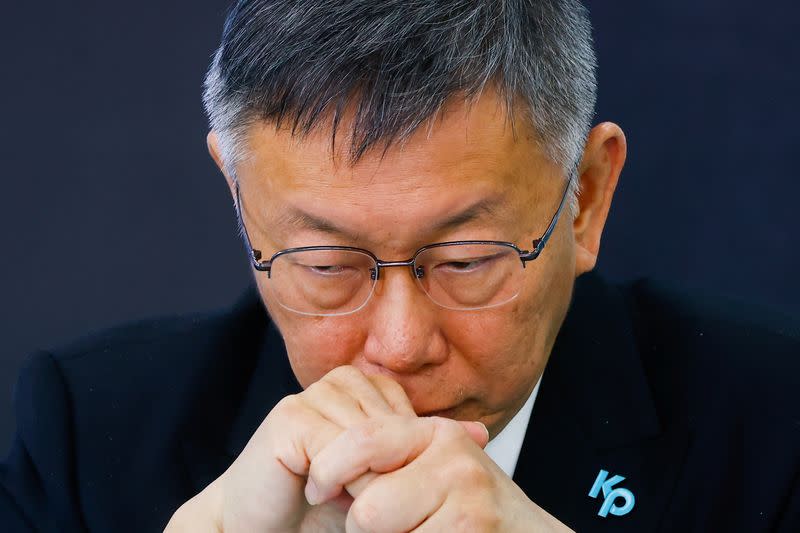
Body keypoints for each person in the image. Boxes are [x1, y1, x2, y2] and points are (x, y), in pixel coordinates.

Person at [2, 0, 798, 531]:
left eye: (464, 259)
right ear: (243, 207)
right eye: (326, 262)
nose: (398, 343)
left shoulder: (774, 429)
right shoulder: (86, 437)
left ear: (585, 199)